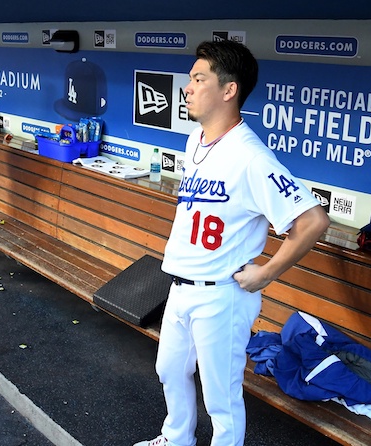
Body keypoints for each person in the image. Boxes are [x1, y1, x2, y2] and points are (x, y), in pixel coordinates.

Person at [134, 41, 330, 446]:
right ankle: (176, 438)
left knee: (221, 398)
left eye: (198, 78)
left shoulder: (251, 156)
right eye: (190, 78)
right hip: (181, 286)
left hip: (222, 295)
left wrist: (267, 272)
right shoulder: (195, 141)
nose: (187, 88)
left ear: (229, 90)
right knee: (170, 370)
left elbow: (312, 221)